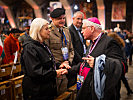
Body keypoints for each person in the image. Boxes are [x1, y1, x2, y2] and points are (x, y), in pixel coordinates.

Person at [76, 17, 125, 100]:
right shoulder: (92, 43)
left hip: (105, 92)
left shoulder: (109, 42)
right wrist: (69, 70)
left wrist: (98, 63)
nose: (81, 31)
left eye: (84, 28)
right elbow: (86, 63)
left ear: (92, 28)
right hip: (89, 88)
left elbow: (121, 66)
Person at [20, 18, 69, 100]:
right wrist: (55, 73)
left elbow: (47, 62)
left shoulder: (42, 44)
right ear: (38, 31)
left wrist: (59, 65)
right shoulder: (30, 48)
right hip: (36, 91)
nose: (49, 31)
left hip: (46, 89)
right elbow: (35, 72)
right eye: (46, 29)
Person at [45, 8, 74, 95]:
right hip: (55, 69)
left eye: (63, 18)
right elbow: (47, 52)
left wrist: (68, 62)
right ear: (52, 19)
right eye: (59, 19)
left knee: (64, 93)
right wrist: (58, 64)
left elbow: (71, 49)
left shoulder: (66, 30)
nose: (62, 20)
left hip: (66, 68)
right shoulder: (48, 31)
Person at [68, 11, 86, 87]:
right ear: (73, 18)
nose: (80, 21)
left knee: (80, 84)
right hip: (75, 63)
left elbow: (83, 45)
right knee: (74, 85)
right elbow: (72, 49)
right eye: (78, 19)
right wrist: (81, 60)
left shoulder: (81, 29)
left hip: (81, 60)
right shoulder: (70, 30)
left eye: (81, 19)